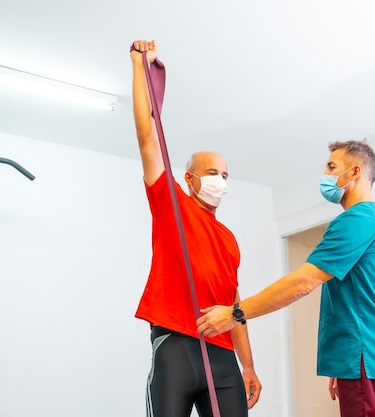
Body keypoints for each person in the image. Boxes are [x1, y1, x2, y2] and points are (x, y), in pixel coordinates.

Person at [197, 140, 375, 417]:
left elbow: (303, 282)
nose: (326, 175)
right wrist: (343, 364)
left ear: (355, 172)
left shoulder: (355, 220)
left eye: (332, 167)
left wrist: (234, 313)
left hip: (367, 360)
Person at [130, 39, 261, 417]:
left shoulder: (229, 240)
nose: (220, 180)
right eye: (211, 173)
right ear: (189, 178)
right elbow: (147, 137)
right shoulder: (172, 205)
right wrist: (140, 67)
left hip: (223, 359)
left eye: (224, 174)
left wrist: (247, 365)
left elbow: (235, 306)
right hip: (176, 346)